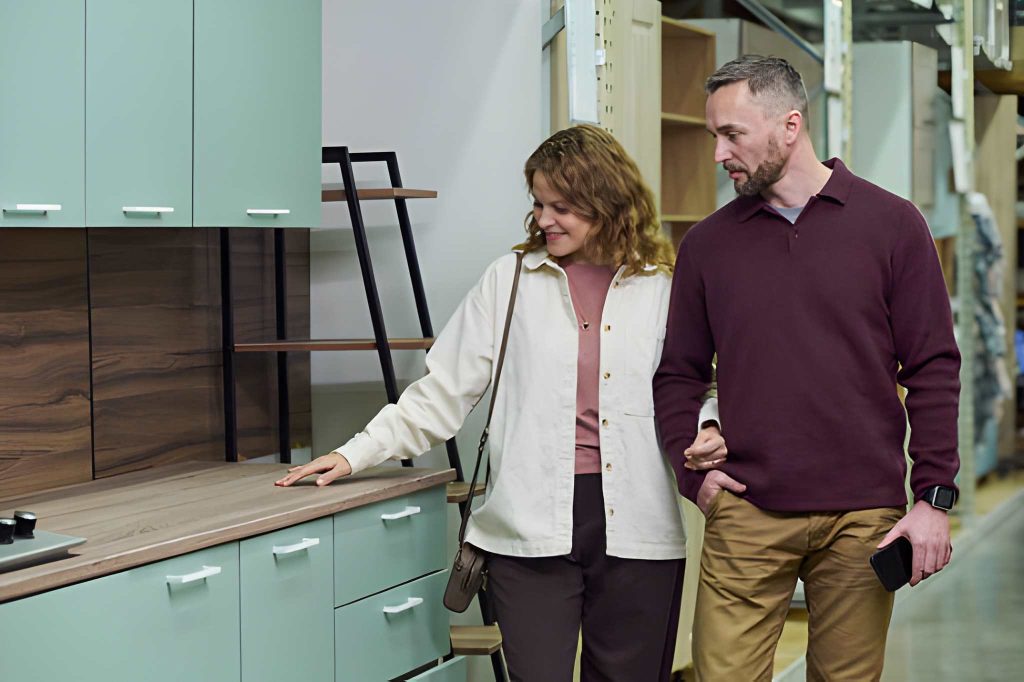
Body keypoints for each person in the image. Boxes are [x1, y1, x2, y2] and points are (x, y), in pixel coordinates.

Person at [276, 124, 725, 681]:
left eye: (562, 206)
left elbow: (694, 386)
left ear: (607, 203)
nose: (544, 219)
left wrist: (708, 427)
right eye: (538, 204)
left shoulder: (662, 286)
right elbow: (441, 393)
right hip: (526, 527)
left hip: (638, 526)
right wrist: (353, 454)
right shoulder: (510, 280)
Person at [653, 55, 961, 682]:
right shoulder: (707, 245)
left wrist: (933, 498)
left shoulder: (893, 225)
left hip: (863, 514)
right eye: (714, 134)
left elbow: (933, 366)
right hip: (746, 508)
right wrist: (696, 477)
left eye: (732, 133)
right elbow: (678, 374)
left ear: (790, 125)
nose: (718, 152)